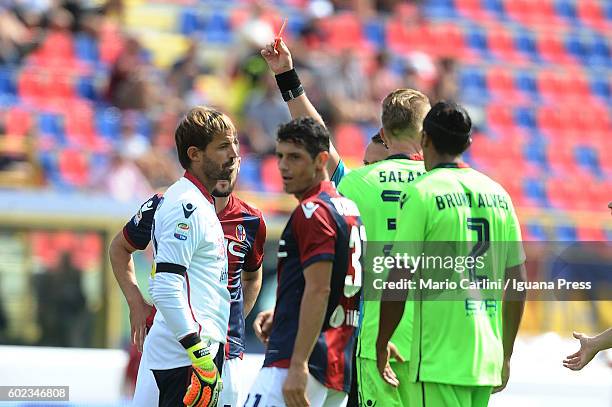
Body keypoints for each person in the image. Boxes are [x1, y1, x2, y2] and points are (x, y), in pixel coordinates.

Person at [259, 38, 430, 407]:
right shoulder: (443, 188)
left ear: (385, 134)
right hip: (430, 345)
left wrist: (286, 75)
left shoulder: (355, 186)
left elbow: (316, 132)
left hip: (370, 342)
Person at [377, 101, 527, 407]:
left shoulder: (422, 193)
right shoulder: (499, 194)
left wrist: (381, 343)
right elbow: (518, 283)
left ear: (425, 140)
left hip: (438, 360)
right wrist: (505, 353)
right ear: (468, 143)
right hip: (485, 359)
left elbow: (399, 277)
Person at [110, 158, 266, 407]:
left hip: (225, 352)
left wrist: (228, 320)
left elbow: (252, 276)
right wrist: (135, 301)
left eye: (232, 161)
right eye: (219, 158)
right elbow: (119, 248)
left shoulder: (251, 220)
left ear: (240, 164)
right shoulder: (168, 204)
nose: (225, 169)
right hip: (167, 345)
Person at [244, 117, 364, 407]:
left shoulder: (313, 212)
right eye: (280, 156)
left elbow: (320, 289)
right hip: (336, 366)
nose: (283, 166)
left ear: (321, 160)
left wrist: (298, 364)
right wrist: (285, 311)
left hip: (299, 362)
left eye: (295, 157)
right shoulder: (348, 209)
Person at [126, 106, 237, 407]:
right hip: (185, 354)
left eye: (235, 143)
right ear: (195, 154)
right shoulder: (185, 205)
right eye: (224, 146)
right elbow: (165, 287)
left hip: (189, 348)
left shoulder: (199, 202)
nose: (234, 153)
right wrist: (198, 352)